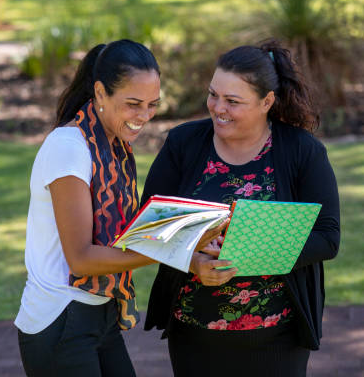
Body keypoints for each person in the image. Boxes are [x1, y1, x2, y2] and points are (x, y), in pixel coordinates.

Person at [14, 39, 229, 377]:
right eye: (132, 104)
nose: (143, 116)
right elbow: (82, 258)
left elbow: (129, 238)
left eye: (152, 105)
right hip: (60, 318)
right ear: (100, 93)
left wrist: (191, 246)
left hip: (100, 313)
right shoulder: (69, 148)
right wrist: (176, 247)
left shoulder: (113, 147)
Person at [141, 39, 340, 376]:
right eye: (213, 94)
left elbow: (327, 237)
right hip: (193, 335)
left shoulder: (303, 152)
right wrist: (192, 261)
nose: (218, 108)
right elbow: (147, 227)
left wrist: (248, 248)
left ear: (267, 101)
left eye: (233, 101)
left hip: (278, 337)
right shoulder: (183, 143)